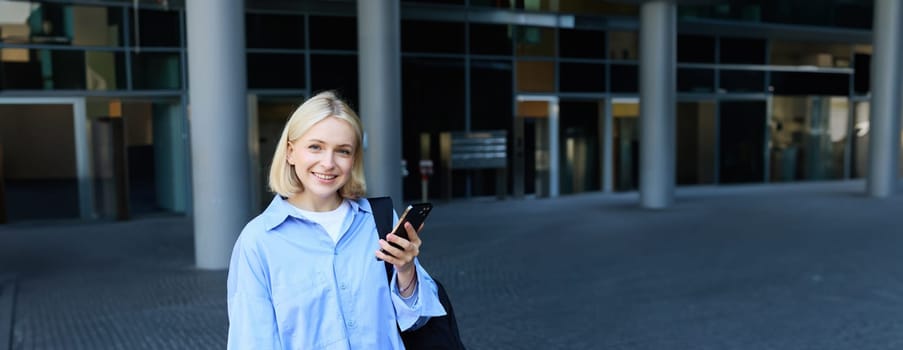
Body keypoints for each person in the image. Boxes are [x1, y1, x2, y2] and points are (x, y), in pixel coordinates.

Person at [227, 91, 446, 349]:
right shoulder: (259, 240)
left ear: (353, 160)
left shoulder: (379, 222)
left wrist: (406, 271)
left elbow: (417, 321)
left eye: (342, 151)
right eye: (315, 147)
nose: (328, 163)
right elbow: (252, 342)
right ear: (290, 152)